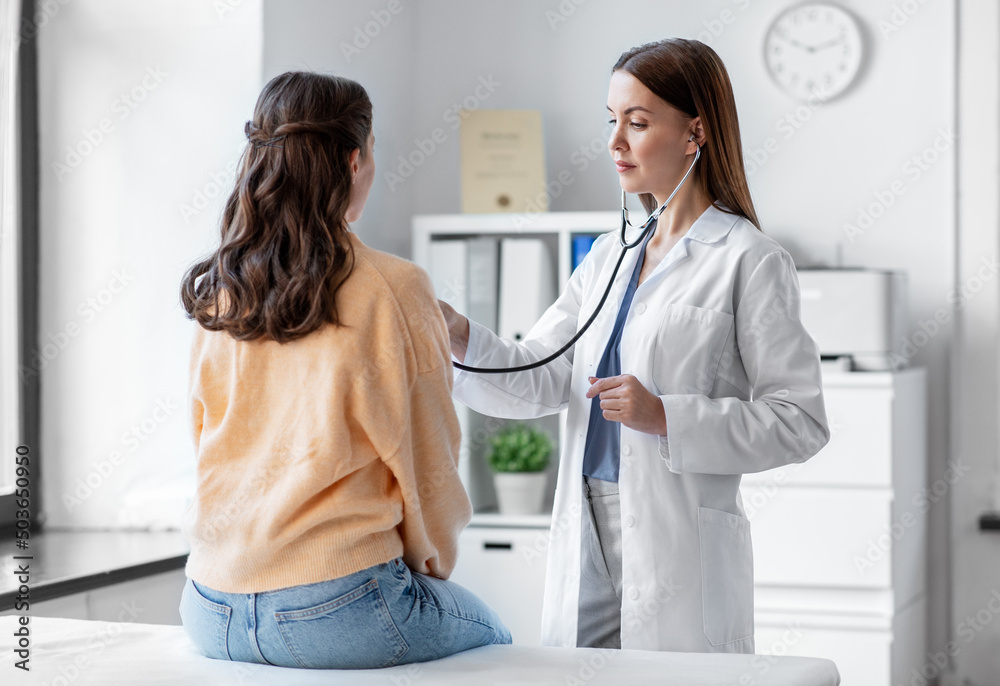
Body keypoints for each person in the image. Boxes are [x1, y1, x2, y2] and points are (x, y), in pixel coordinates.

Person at [438, 38, 830, 654]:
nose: (615, 140)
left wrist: (666, 416)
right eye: (612, 120)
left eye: (638, 122)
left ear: (694, 132)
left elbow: (800, 422)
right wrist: (460, 335)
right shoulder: (606, 257)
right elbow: (542, 375)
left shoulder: (749, 260)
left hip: (677, 539)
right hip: (585, 521)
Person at [177, 71, 511, 670]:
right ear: (354, 161)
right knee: (499, 640)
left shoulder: (224, 289)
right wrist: (429, 569)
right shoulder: (395, 287)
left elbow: (205, 441)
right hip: (339, 609)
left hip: (209, 606)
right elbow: (428, 459)